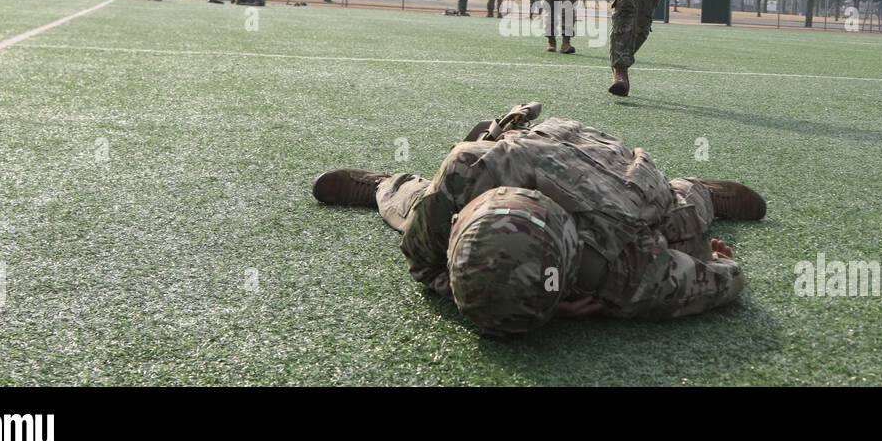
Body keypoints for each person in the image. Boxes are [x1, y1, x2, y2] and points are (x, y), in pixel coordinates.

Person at [312, 102, 765, 337]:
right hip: (526, 147)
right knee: (419, 212)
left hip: (611, 170)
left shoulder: (624, 274)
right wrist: (502, 295)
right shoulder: (465, 171)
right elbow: (424, 261)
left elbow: (724, 282)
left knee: (682, 219)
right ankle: (384, 184)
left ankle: (702, 188)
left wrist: (713, 260)